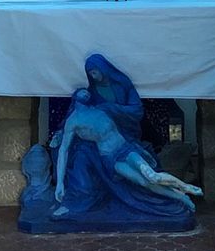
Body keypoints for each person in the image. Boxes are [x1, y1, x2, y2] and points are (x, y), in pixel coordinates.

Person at [53, 88, 202, 215]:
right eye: (82, 92)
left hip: (125, 149)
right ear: (75, 97)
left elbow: (128, 111)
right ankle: (180, 197)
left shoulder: (102, 109)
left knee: (152, 176)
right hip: (110, 158)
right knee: (143, 182)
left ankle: (184, 187)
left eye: (87, 92)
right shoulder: (73, 121)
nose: (86, 93)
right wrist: (59, 183)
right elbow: (63, 151)